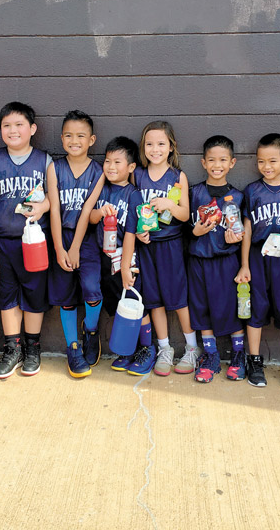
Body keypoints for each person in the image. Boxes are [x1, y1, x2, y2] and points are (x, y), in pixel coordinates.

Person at [0, 102, 51, 379]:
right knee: (6, 296)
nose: (13, 130)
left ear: (32, 129)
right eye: (6, 125)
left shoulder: (44, 160)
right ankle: (13, 348)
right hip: (3, 242)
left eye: (19, 124)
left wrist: (42, 208)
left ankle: (32, 348)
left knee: (33, 295)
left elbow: (53, 198)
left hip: (34, 243)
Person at [123, 121, 194, 377]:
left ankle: (192, 348)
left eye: (161, 143)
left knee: (178, 298)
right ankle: (164, 348)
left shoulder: (178, 176)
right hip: (147, 246)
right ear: (143, 147)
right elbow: (134, 210)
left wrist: (169, 205)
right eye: (150, 144)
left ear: (171, 147)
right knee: (154, 300)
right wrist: (139, 233)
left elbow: (185, 214)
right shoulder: (137, 175)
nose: (155, 149)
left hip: (171, 244)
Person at [235, 133, 280, 389]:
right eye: (261, 161)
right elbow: (248, 230)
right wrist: (244, 264)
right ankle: (254, 360)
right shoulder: (252, 191)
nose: (267, 166)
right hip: (258, 256)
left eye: (273, 161)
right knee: (255, 308)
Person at [47, 110, 105, 378]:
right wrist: (60, 248)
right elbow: (55, 210)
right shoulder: (54, 167)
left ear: (91, 139)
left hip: (87, 239)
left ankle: (90, 331)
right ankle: (73, 347)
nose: (74, 140)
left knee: (92, 291)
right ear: (61, 138)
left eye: (80, 135)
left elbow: (87, 212)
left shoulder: (99, 171)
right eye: (68, 135)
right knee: (66, 297)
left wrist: (74, 248)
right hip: (61, 236)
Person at [89, 137, 154, 375]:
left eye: (118, 162)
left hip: (125, 258)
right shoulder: (101, 188)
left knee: (136, 304)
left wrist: (126, 267)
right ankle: (128, 350)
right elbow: (89, 218)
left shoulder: (133, 194)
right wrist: (99, 212)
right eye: (107, 161)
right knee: (118, 306)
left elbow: (130, 234)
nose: (111, 167)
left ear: (131, 167)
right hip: (103, 258)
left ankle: (147, 349)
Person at [187, 136, 246, 383]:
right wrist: (195, 232)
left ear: (232, 163)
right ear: (203, 162)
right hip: (199, 261)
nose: (217, 165)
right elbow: (183, 228)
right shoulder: (195, 193)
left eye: (223, 160)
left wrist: (238, 240)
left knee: (230, 309)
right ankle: (210, 355)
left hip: (226, 261)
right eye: (212, 160)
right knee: (201, 309)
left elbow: (245, 233)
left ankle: (239, 354)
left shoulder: (239, 197)